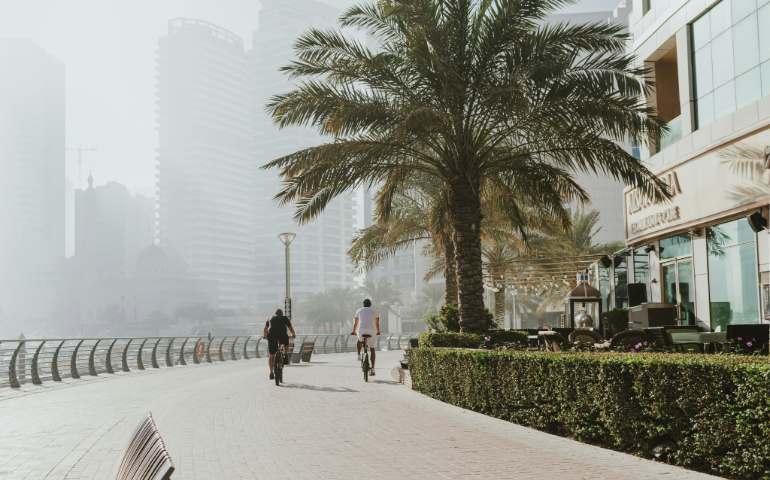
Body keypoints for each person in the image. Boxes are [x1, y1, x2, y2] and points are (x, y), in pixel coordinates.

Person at [263, 308, 296, 380]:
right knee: (286, 344)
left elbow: (265, 328)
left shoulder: (270, 319)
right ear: (282, 314)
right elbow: (290, 328)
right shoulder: (285, 318)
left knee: (271, 355)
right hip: (282, 335)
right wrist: (293, 334)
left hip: (272, 336)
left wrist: (265, 336)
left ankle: (271, 372)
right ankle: (285, 354)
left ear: (275, 314)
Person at [351, 298, 381, 375]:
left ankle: (358, 355)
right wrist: (378, 331)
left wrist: (354, 331)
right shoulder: (375, 311)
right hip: (372, 331)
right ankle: (373, 369)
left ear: (363, 304)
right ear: (370, 305)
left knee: (359, 340)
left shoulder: (359, 310)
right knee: (372, 349)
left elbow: (356, 323)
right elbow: (377, 323)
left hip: (361, 330)